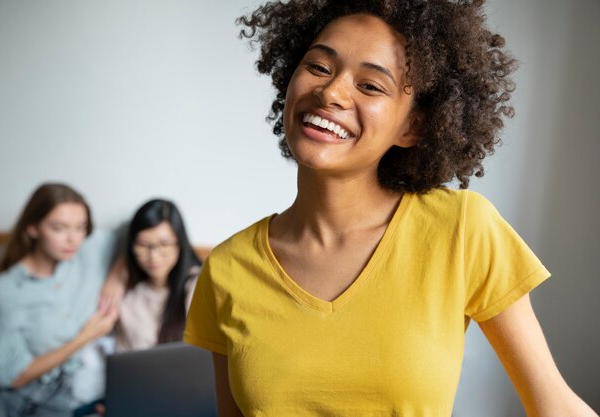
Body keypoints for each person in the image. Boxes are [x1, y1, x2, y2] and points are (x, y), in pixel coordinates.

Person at [182, 1, 598, 416]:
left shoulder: (461, 229)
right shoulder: (227, 267)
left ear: (413, 126)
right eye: (319, 67)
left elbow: (554, 406)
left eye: (370, 86)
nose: (330, 92)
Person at [0, 183, 119, 417]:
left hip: (56, 397)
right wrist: (86, 336)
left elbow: (140, 236)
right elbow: (13, 377)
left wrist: (116, 277)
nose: (73, 239)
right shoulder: (6, 289)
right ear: (33, 228)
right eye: (59, 228)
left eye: (81, 227)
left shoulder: (91, 250)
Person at [114, 199, 201, 352]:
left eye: (164, 244)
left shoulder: (197, 286)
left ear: (179, 243)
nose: (153, 256)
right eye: (143, 244)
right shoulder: (129, 296)